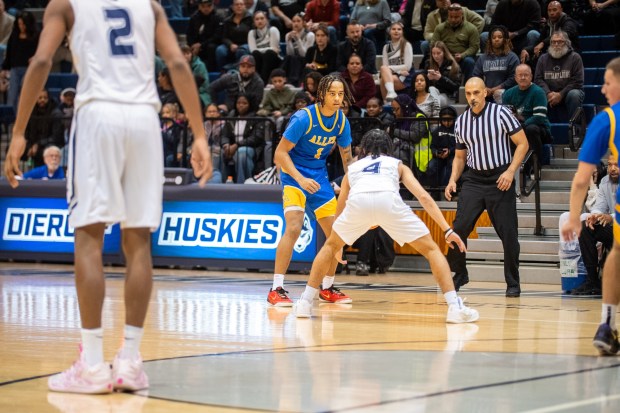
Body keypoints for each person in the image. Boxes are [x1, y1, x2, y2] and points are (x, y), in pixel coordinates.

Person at [3, 0, 212, 394]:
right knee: (138, 243)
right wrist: (199, 135)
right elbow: (179, 65)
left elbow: (41, 63)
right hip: (144, 120)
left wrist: (18, 132)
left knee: (89, 237)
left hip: (98, 115)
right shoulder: (148, 5)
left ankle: (94, 365)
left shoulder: (64, 4)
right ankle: (130, 361)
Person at [292, 128, 479, 325]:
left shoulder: (352, 168)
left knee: (327, 248)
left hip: (359, 202)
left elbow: (341, 204)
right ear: (388, 148)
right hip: (388, 200)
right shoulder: (397, 164)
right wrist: (447, 230)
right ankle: (454, 308)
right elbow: (423, 196)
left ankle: (304, 303)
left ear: (363, 148)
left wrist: (336, 243)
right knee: (432, 249)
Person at [268, 74, 354, 306]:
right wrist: (300, 178)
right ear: (322, 95)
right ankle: (276, 288)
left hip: (319, 178)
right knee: (294, 227)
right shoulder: (303, 118)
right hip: (294, 176)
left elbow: (347, 159)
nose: (337, 98)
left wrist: (355, 183)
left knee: (337, 232)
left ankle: (327, 287)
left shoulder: (341, 122)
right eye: (332, 94)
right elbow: (279, 154)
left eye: (340, 94)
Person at [444, 77, 529, 297]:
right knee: (459, 229)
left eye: (476, 93)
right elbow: (460, 157)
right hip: (473, 180)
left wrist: (510, 172)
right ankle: (460, 273)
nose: (472, 97)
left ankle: (513, 283)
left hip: (500, 178)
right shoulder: (461, 121)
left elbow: (523, 144)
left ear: (485, 93)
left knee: (509, 235)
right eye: (469, 94)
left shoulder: (501, 114)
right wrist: (453, 179)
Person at [561, 56, 620, 355]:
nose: (603, 88)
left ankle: (607, 325)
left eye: (608, 82)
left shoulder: (606, 120)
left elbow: (581, 179)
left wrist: (574, 217)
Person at [572, 156, 618, 296]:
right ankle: (593, 281)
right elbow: (599, 206)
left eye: (616, 165)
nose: (612, 169)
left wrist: (611, 217)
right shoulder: (605, 181)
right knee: (585, 228)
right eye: (610, 165)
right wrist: (595, 216)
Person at [502, 64, 550, 173]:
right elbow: (504, 116)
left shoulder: (538, 92)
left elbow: (539, 117)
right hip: (518, 128)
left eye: (526, 75)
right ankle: (509, 167)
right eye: (520, 75)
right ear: (515, 77)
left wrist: (521, 125)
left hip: (540, 130)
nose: (523, 77)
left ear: (531, 77)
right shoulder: (508, 93)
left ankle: (536, 167)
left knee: (531, 129)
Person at [533, 30, 584, 123]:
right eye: (553, 42)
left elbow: (578, 81)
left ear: (567, 43)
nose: (556, 44)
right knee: (536, 93)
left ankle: (575, 128)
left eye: (560, 42)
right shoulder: (543, 59)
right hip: (549, 93)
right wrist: (548, 93)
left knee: (575, 94)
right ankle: (540, 127)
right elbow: (538, 79)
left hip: (568, 93)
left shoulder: (575, 57)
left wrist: (561, 94)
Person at [520, 1, 580, 67]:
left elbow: (563, 34)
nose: (551, 13)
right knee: (530, 58)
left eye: (554, 10)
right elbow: (537, 44)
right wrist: (526, 50)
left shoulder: (568, 22)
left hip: (567, 53)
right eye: (549, 10)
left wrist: (543, 43)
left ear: (561, 10)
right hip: (551, 53)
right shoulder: (548, 25)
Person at [222, 93, 266, 182]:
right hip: (232, 147)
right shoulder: (231, 118)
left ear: (250, 104)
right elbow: (224, 135)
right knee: (217, 152)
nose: (241, 105)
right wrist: (226, 145)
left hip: (252, 148)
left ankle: (242, 184)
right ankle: (219, 184)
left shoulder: (257, 118)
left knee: (242, 153)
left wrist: (237, 145)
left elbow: (256, 138)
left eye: (244, 103)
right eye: (238, 103)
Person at [430, 3, 479, 81]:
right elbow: (434, 44)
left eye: (456, 17)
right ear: (447, 16)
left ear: (462, 15)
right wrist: (446, 55)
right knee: (432, 58)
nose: (453, 19)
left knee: (470, 62)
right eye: (451, 17)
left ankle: (469, 86)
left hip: (463, 58)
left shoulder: (471, 28)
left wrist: (462, 55)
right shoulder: (440, 28)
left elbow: (474, 47)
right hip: (444, 58)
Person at [1, 10, 39, 110]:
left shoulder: (36, 36)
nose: (21, 26)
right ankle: (10, 123)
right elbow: (9, 52)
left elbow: (39, 52)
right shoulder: (14, 36)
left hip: (29, 70)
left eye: (23, 24)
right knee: (12, 96)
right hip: (14, 69)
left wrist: (35, 58)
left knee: (24, 96)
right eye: (19, 24)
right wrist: (4, 68)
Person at [472, 25, 519, 104]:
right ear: (490, 40)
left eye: (500, 37)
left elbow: (514, 77)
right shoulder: (483, 58)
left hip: (506, 93)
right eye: (493, 38)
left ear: (505, 40)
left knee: (499, 95)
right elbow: (476, 76)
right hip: (486, 94)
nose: (496, 39)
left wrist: (498, 88)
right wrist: (484, 88)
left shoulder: (512, 57)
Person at [379, 21, 414, 102]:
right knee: (383, 72)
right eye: (393, 29)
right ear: (389, 32)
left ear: (402, 32)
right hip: (395, 75)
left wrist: (391, 69)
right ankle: (389, 97)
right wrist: (399, 71)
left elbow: (407, 67)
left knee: (383, 77)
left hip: (406, 76)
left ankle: (387, 100)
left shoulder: (406, 45)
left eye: (399, 29)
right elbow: (385, 67)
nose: (396, 31)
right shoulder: (386, 47)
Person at [216, 0, 252, 71]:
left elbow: (253, 35)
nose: (239, 6)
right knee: (220, 50)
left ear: (245, 6)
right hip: (231, 44)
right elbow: (224, 37)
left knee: (241, 50)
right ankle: (222, 71)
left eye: (241, 4)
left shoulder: (251, 19)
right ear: (232, 7)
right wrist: (230, 44)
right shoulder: (227, 21)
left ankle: (234, 69)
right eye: (237, 5)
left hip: (246, 44)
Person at [426, 105, 456, 191]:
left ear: (454, 119)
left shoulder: (458, 130)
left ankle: (452, 191)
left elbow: (460, 145)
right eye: (444, 120)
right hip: (439, 156)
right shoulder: (436, 131)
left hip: (453, 155)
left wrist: (450, 151)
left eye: (449, 120)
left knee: (453, 166)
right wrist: (436, 152)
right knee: (431, 167)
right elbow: (432, 146)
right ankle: (434, 190)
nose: (446, 123)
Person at [186, 0, 222, 71]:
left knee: (211, 47)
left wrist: (201, 45)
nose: (206, 8)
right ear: (199, 7)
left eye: (209, 6)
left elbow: (217, 36)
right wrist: (192, 45)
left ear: (212, 6)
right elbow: (189, 34)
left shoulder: (218, 17)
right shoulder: (194, 18)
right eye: (203, 6)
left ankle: (211, 70)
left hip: (210, 44)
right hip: (196, 45)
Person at [248, 10, 282, 83]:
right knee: (255, 55)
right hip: (259, 59)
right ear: (254, 22)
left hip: (274, 59)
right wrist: (268, 48)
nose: (259, 21)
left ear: (266, 20)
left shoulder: (273, 30)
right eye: (257, 19)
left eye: (262, 18)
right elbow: (253, 51)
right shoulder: (252, 33)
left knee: (268, 54)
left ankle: (263, 82)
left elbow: (274, 51)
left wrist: (263, 49)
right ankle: (259, 82)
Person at [281, 13, 315, 86]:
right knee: (288, 58)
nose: (296, 23)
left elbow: (304, 54)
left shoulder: (310, 35)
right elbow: (290, 53)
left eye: (298, 21)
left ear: (303, 23)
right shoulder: (288, 35)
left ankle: (294, 82)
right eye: (294, 21)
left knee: (295, 58)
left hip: (306, 61)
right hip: (294, 60)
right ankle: (281, 78)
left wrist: (298, 39)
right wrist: (289, 41)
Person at [425, 40, 462, 107]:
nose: (436, 56)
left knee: (437, 100)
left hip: (448, 96)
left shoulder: (453, 65)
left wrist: (441, 78)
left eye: (438, 53)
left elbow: (455, 87)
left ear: (444, 52)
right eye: (433, 53)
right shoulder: (428, 64)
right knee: (431, 92)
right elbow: (426, 87)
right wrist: (427, 79)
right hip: (432, 94)